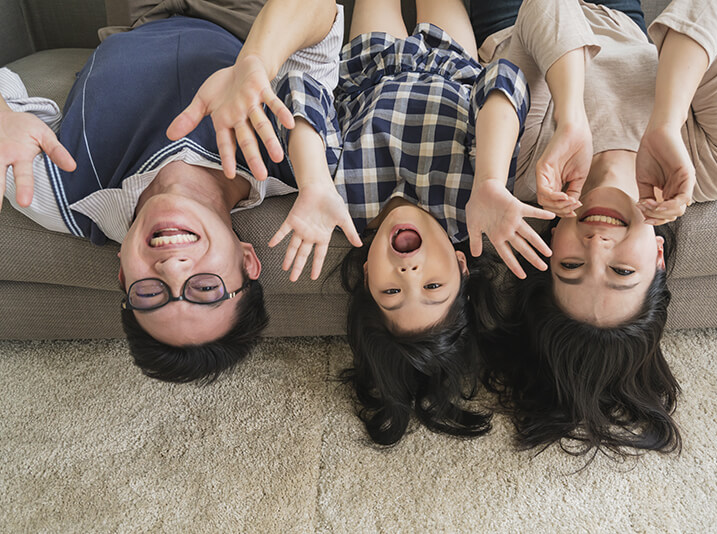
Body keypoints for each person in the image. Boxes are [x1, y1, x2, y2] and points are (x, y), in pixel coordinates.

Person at [0, 0, 356, 382]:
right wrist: (256, 64)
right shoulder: (287, 158)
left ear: (122, 275)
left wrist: (3, 118)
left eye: (150, 294)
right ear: (247, 261)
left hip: (139, 16)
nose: (171, 269)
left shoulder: (61, 196)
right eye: (205, 287)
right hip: (243, 18)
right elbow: (318, 10)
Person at [472, 0, 717, 456]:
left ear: (550, 246)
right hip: (622, 12)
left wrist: (571, 118)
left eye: (571, 265)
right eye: (621, 272)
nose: (598, 245)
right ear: (659, 261)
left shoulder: (527, 168)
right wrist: (666, 122)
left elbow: (542, 7)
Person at [320, 0, 556, 445]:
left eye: (391, 292)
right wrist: (490, 178)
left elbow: (304, 92)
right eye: (432, 287)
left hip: (369, 65)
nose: (409, 274)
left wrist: (313, 180)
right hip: (450, 63)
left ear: (367, 274)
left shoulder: (341, 205)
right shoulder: (474, 208)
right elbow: (504, 78)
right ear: (462, 267)